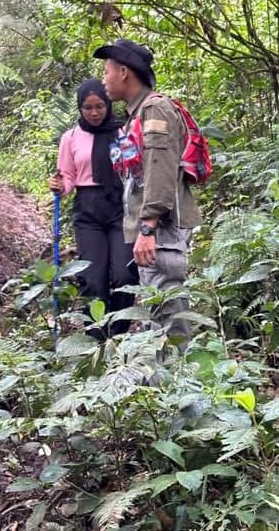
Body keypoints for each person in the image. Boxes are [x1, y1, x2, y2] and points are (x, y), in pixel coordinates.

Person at [94, 38, 202, 342]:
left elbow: (160, 170)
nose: (104, 79)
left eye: (107, 71)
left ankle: (180, 379)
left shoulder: (155, 110)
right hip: (154, 232)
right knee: (158, 308)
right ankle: (165, 381)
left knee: (170, 311)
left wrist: (148, 227)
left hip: (162, 232)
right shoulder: (137, 114)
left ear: (124, 72)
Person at [47, 78, 138, 337]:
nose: (95, 113)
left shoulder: (122, 133)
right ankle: (96, 339)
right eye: (88, 108)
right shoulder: (71, 137)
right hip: (88, 211)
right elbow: (67, 177)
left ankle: (117, 335)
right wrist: (58, 185)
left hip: (120, 207)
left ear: (108, 105)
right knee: (92, 279)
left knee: (124, 275)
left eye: (99, 106)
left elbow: (134, 171)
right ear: (80, 108)